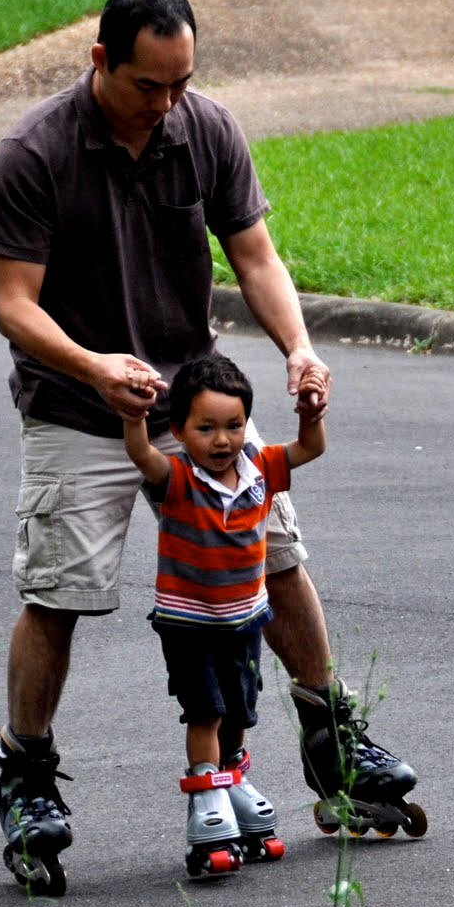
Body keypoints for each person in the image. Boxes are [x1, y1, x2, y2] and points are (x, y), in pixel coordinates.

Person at [0, 0, 419, 895]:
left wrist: (299, 349)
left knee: (280, 556)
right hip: (75, 406)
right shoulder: (36, 152)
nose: (169, 102)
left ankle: (333, 737)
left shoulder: (206, 129)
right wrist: (97, 367)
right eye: (151, 84)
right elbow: (14, 304)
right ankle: (27, 777)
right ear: (100, 61)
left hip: (198, 400)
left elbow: (254, 254)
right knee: (60, 592)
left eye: (183, 81)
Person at [121, 354, 324, 876]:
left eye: (233, 426)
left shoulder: (259, 467)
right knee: (205, 711)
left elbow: (310, 448)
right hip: (189, 625)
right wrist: (133, 413)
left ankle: (232, 781)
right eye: (205, 428)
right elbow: (141, 454)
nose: (222, 441)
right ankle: (205, 795)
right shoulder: (178, 478)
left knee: (238, 711)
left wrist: (310, 413)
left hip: (246, 620)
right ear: (180, 431)